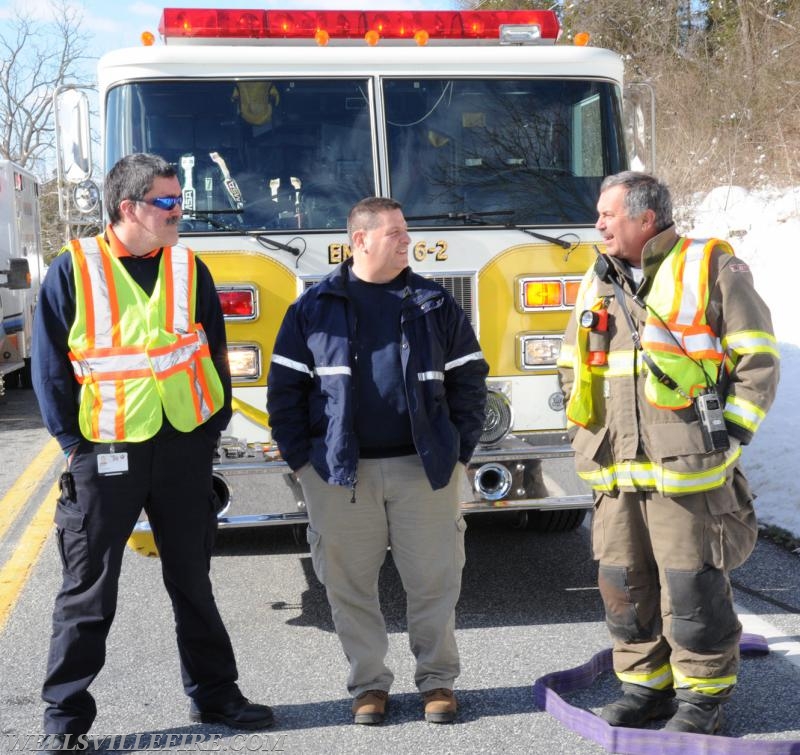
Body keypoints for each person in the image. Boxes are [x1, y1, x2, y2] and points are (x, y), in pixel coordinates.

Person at [32, 153, 274, 753]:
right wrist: (73, 446)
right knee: (89, 590)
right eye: (168, 202)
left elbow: (214, 352)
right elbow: (50, 368)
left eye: (179, 201)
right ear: (129, 207)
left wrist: (211, 426)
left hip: (183, 447)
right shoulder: (73, 270)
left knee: (193, 580)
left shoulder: (190, 268)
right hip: (106, 450)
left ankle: (217, 695)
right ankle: (65, 721)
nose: (178, 212)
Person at [558, 171, 780, 735]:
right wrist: (583, 432)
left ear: (645, 219)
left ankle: (702, 700)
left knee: (691, 586)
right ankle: (645, 688)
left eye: (608, 214)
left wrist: (730, 435)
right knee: (622, 583)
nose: (598, 224)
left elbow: (756, 360)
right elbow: (571, 363)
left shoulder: (712, 268)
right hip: (614, 469)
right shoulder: (597, 278)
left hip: (687, 472)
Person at [266, 196, 488, 725]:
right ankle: (368, 686)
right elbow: (284, 395)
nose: (406, 240)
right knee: (349, 587)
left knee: (435, 581)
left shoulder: (435, 304)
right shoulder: (312, 310)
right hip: (341, 477)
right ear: (360, 239)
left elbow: (470, 383)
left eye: (405, 231)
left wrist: (459, 453)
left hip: (423, 470)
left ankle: (438, 682)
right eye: (395, 232)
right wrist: (304, 464)